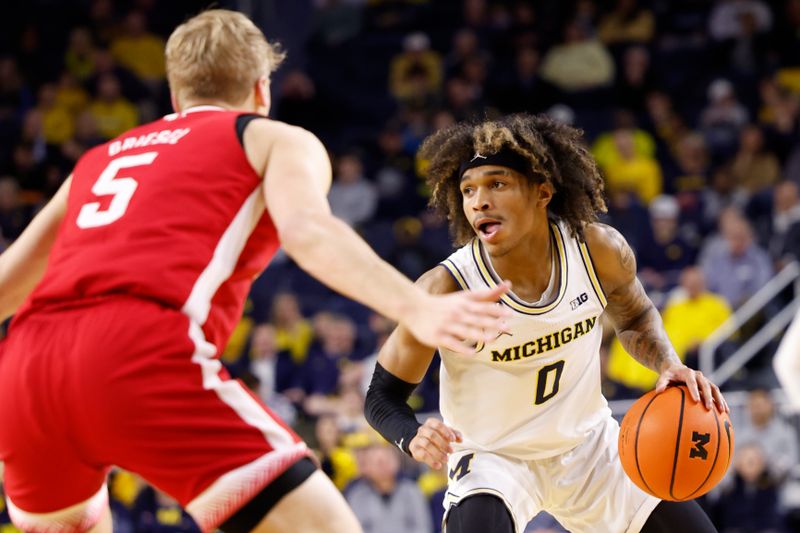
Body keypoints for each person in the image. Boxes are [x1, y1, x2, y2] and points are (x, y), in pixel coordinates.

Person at [0, 10, 511, 533]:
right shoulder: (270, 138)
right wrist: (416, 307)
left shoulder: (97, 161)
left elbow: (5, 285)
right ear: (261, 89)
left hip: (23, 370)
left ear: (177, 96)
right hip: (134, 350)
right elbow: (309, 233)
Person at [365, 114, 729, 533]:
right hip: (493, 457)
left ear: (542, 192)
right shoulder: (446, 288)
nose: (479, 201)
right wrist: (410, 435)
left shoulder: (597, 251)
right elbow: (381, 396)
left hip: (589, 447)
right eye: (468, 190)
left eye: (496, 184)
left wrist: (667, 363)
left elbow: (636, 315)